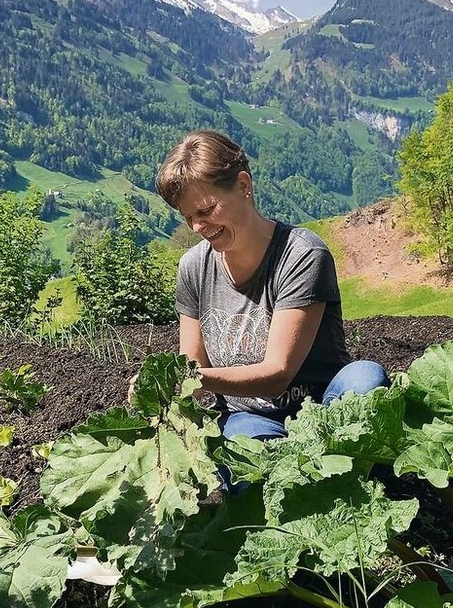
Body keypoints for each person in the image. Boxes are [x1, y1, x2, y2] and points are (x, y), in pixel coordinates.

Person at [156, 129, 388, 443]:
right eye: (188, 217)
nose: (197, 226)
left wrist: (190, 378)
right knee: (243, 443)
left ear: (243, 186)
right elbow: (192, 365)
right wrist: (161, 386)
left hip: (323, 407)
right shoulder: (194, 267)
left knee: (365, 378)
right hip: (246, 416)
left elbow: (278, 374)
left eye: (206, 211)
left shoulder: (302, 255)